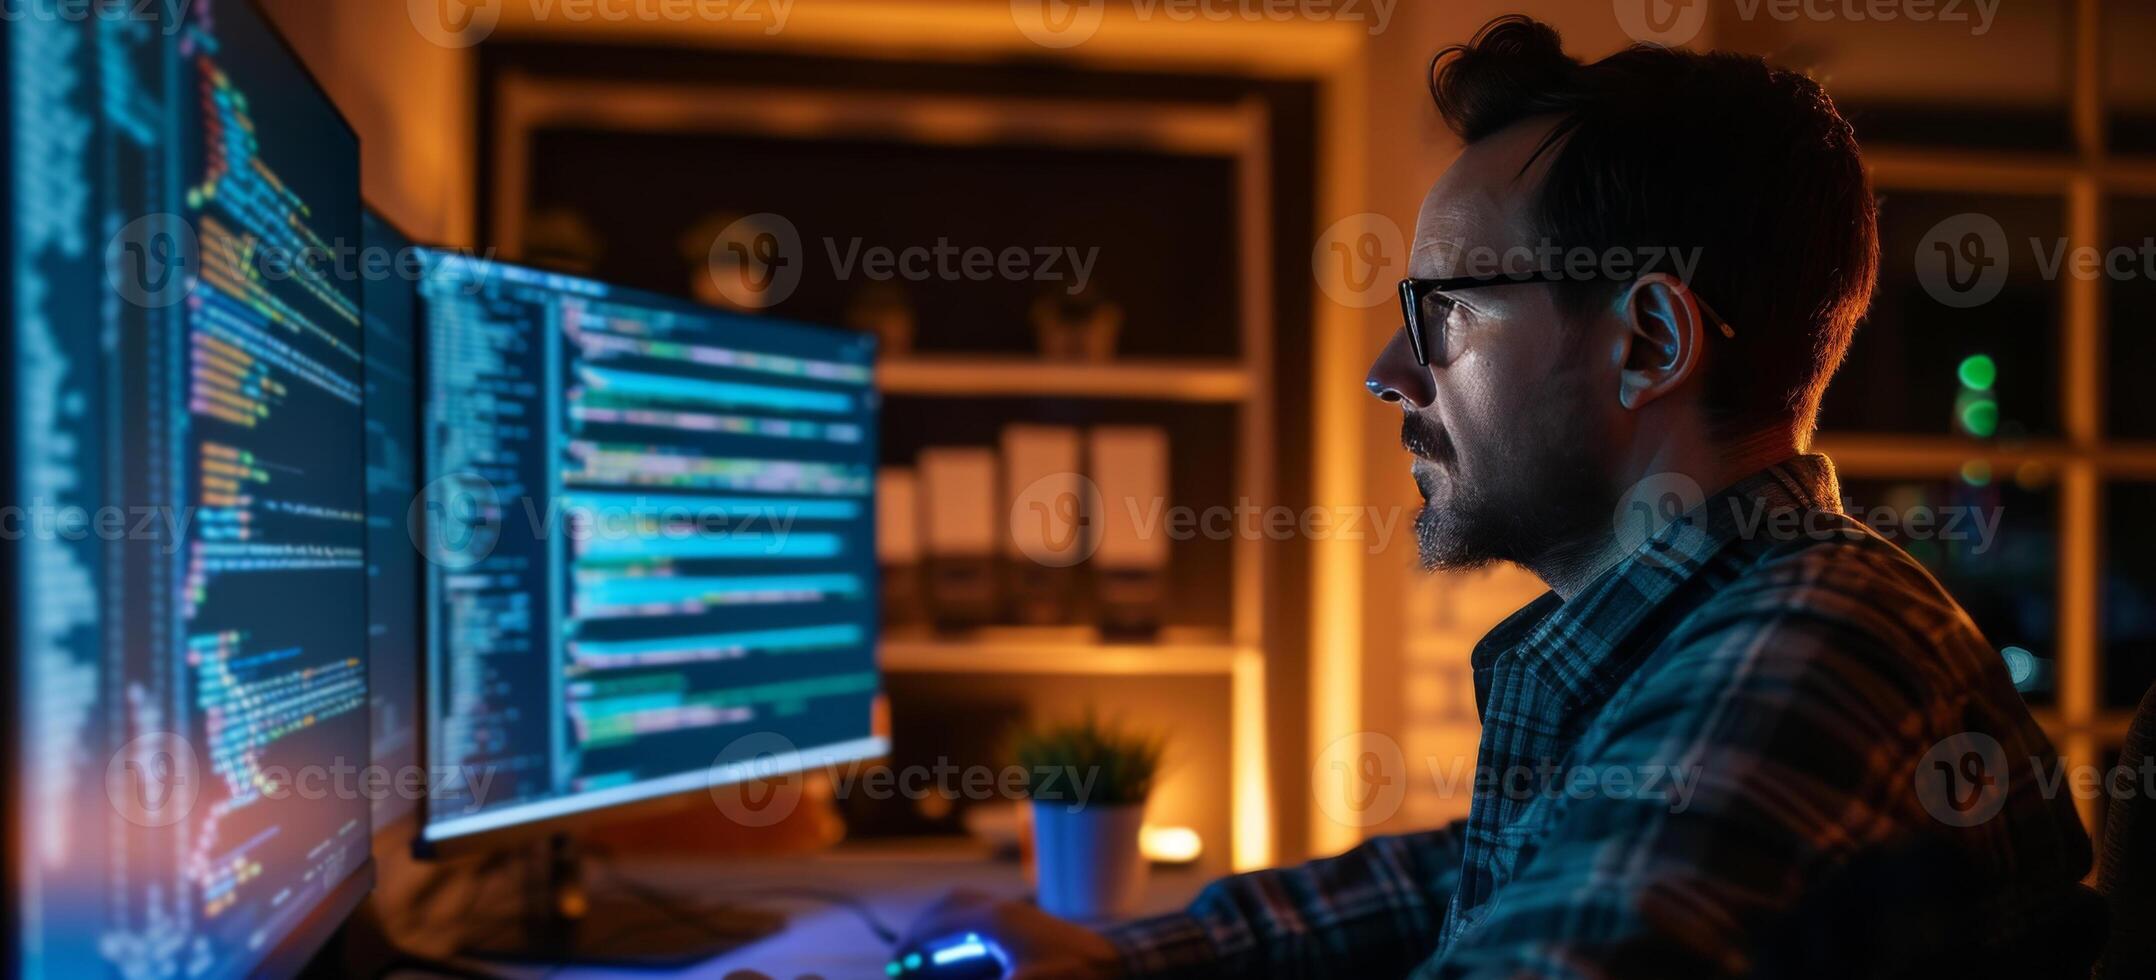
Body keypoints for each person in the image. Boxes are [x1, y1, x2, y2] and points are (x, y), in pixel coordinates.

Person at [903, 14, 2100, 979]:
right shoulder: (1720, 623)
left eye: (1443, 314)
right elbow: (1479, 871)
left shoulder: (1805, 655)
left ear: (1645, 340)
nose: (1388, 370)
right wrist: (1125, 953)